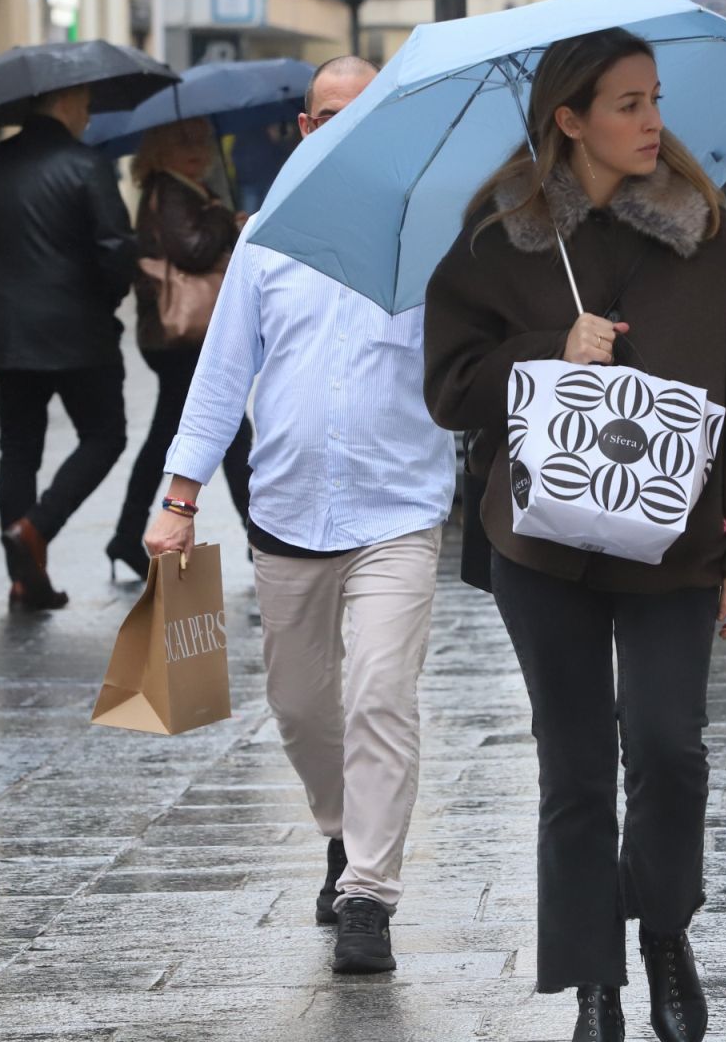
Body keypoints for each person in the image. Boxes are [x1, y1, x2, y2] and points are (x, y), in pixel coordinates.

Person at [422, 28, 726, 1042]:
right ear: (568, 118)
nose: (652, 121)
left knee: (667, 748)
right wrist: (548, 351)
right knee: (574, 766)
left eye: (655, 98)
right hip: (545, 543)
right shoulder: (501, 232)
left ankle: (664, 929)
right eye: (626, 104)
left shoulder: (710, 230)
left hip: (675, 542)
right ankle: (596, 982)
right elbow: (450, 385)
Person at [142, 56, 454, 978]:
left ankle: (368, 893)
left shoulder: (429, 236)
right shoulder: (267, 238)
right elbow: (221, 375)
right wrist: (179, 496)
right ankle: (338, 826)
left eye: (367, 115)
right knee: (300, 707)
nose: (346, 129)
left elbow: (476, 359)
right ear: (308, 129)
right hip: (284, 511)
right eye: (331, 115)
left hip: (398, 510)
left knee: (379, 697)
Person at [0, 86, 136, 613]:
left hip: (12, 335)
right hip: (82, 332)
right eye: (84, 104)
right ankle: (36, 528)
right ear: (63, 104)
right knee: (105, 435)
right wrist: (107, 296)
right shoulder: (87, 164)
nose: (88, 113)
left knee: (18, 451)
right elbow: (116, 246)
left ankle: (23, 579)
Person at [105, 118, 253, 581]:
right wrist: (225, 221)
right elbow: (192, 250)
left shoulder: (180, 187)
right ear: (160, 150)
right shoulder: (171, 190)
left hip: (173, 336)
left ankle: (127, 535)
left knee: (173, 435)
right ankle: (258, 535)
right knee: (227, 429)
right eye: (180, 142)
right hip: (181, 336)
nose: (194, 150)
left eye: (200, 141)